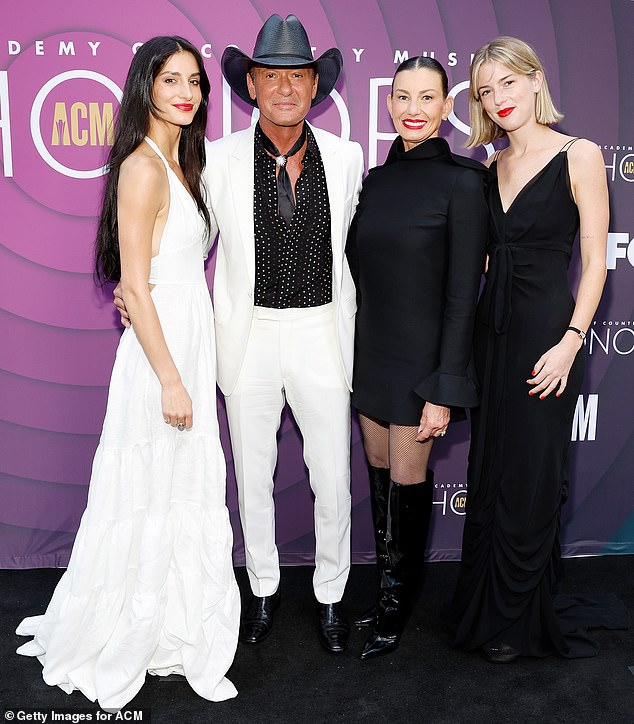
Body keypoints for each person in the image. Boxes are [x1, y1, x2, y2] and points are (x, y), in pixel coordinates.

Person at [116, 14, 363, 654]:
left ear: (316, 86)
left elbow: (366, 253)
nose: (285, 87)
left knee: (332, 477)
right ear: (250, 85)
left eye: (298, 76)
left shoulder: (347, 159)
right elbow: (177, 237)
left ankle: (332, 597)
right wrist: (133, 289)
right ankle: (261, 589)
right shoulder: (214, 161)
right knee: (251, 474)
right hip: (247, 338)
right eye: (271, 76)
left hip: (321, 335)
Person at [16, 37, 240, 708]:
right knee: (149, 488)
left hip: (183, 338)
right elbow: (135, 287)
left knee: (177, 490)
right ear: (144, 85)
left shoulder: (182, 160)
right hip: (160, 354)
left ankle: (173, 627)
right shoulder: (143, 167)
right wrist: (171, 377)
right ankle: (134, 630)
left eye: (194, 81)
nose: (186, 91)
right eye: (171, 79)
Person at [451, 36, 615, 663]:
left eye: (508, 84)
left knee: (533, 471)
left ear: (535, 79)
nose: (499, 100)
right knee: (490, 467)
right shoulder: (489, 169)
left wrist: (572, 342)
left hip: (549, 333)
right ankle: (487, 607)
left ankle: (520, 615)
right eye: (486, 92)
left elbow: (597, 262)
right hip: (492, 333)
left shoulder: (581, 155)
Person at [345, 56, 489, 659]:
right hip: (372, 356)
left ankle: (397, 606)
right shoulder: (376, 181)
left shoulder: (464, 181)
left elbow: (464, 294)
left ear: (447, 107)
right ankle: (385, 592)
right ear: (389, 103)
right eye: (402, 96)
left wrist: (444, 385)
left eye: (427, 97)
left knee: (407, 483)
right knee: (380, 484)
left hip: (422, 367)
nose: (412, 109)